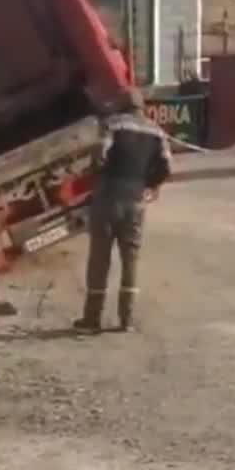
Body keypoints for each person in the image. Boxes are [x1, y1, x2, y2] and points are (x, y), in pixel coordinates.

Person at [74, 87, 171, 335]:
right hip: (136, 201)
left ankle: (92, 319)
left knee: (100, 259)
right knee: (130, 259)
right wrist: (149, 185)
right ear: (142, 106)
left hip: (108, 198)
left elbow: (99, 157)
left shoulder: (112, 125)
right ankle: (126, 319)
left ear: (122, 105)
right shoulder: (157, 131)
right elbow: (166, 166)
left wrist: (99, 179)